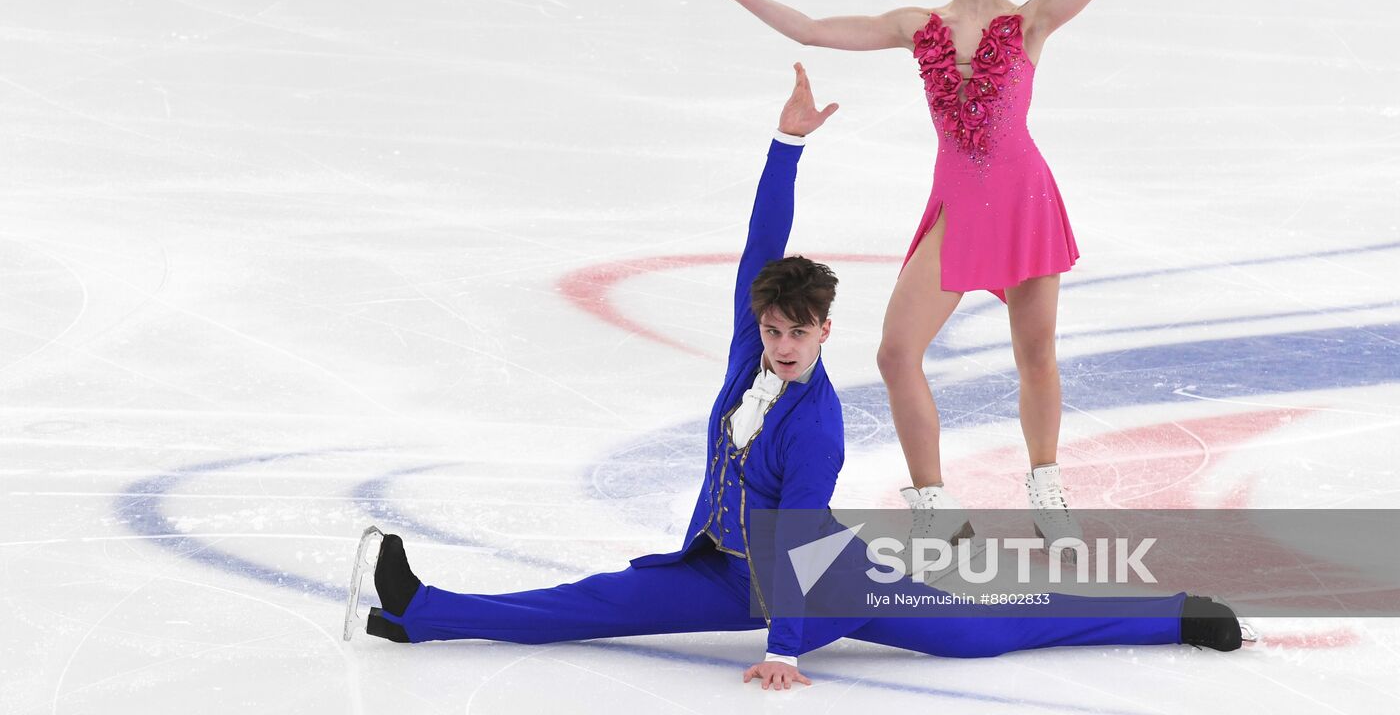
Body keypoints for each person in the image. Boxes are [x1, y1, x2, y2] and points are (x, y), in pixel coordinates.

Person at [344, 64, 1246, 690]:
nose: (781, 344)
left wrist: (786, 649)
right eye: (771, 329)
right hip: (717, 569)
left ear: (825, 332)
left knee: (980, 633)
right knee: (586, 605)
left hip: (814, 579)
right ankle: (415, 610)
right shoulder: (749, 356)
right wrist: (787, 144)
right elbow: (761, 245)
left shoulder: (816, 426)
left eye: (797, 332)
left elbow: (797, 542)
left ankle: (1172, 615)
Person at [678, 0, 1188, 548]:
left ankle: (1045, 486)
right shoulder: (918, 27)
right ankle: (934, 502)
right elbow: (815, 30)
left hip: (1023, 201)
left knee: (1035, 353)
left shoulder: (1031, 19)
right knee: (895, 352)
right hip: (958, 208)